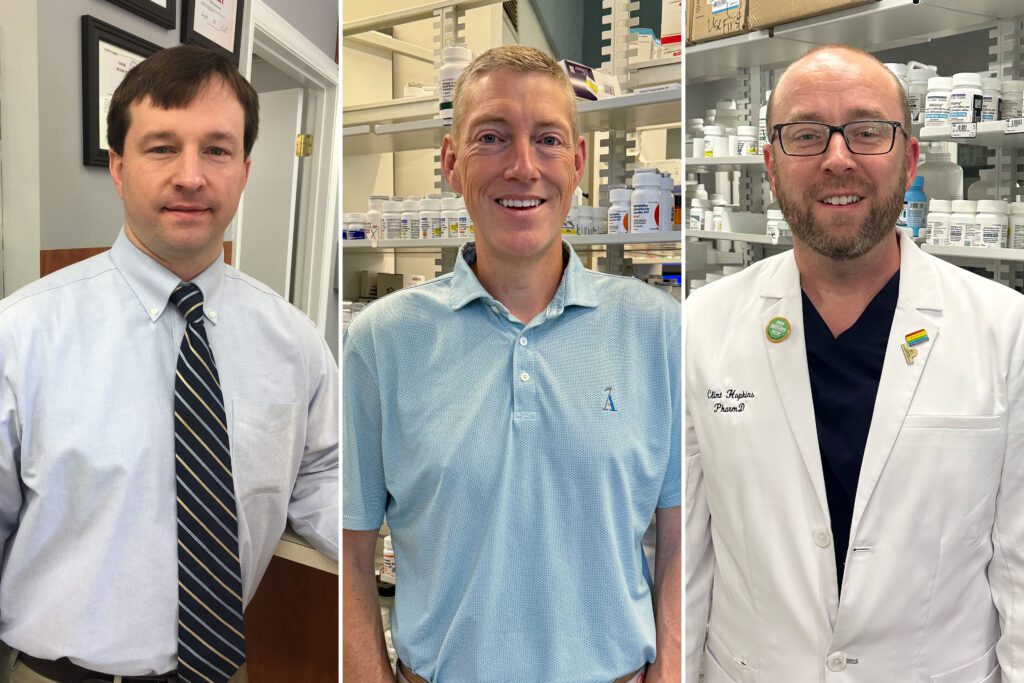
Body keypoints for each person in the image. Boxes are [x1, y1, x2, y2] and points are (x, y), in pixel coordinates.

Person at [685, 44, 1024, 682]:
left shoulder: (1006, 331)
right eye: (807, 135)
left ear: (910, 157)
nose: (838, 159)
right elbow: (687, 555)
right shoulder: (700, 327)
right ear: (770, 165)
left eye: (868, 132)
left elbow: (1020, 566)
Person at [0, 45, 338, 683]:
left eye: (216, 149)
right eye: (161, 148)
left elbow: (322, 470)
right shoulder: (21, 336)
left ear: (244, 169)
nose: (191, 176)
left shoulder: (293, 341)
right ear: (119, 168)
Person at [343, 45, 681, 683]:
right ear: (451, 163)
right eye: (491, 138)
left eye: (548, 139)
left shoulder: (655, 330)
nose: (523, 167)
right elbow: (352, 558)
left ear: (577, 163)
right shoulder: (382, 342)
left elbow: (679, 539)